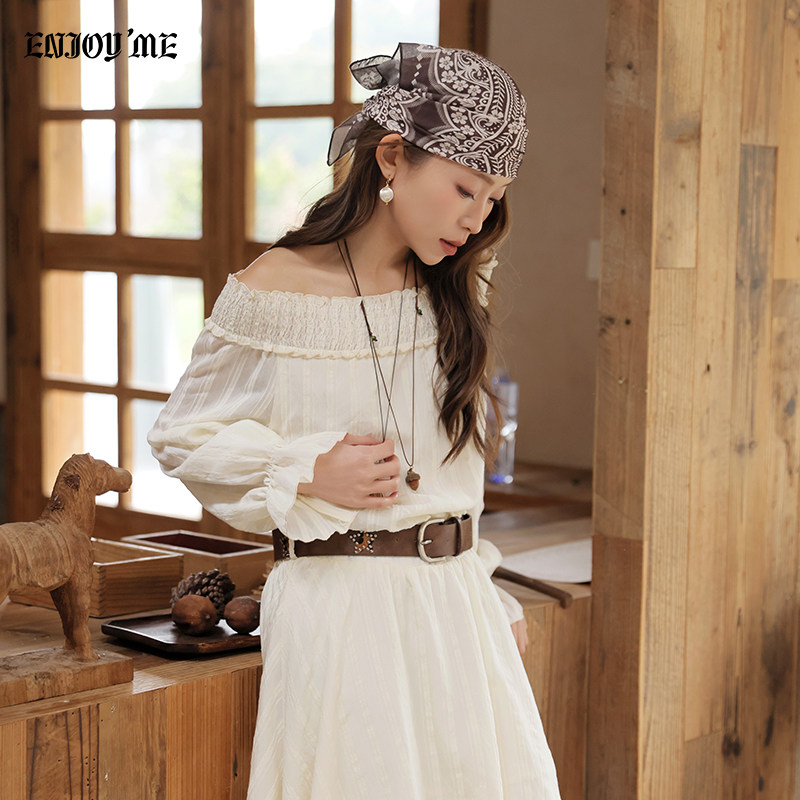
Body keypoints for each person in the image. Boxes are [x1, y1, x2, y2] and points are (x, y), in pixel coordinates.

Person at [148, 42, 561, 799]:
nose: (477, 219)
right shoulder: (276, 289)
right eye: (464, 189)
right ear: (393, 157)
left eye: (494, 198)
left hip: (460, 612)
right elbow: (182, 435)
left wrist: (484, 585)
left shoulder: (457, 285)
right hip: (339, 618)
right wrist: (304, 469)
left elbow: (451, 480)